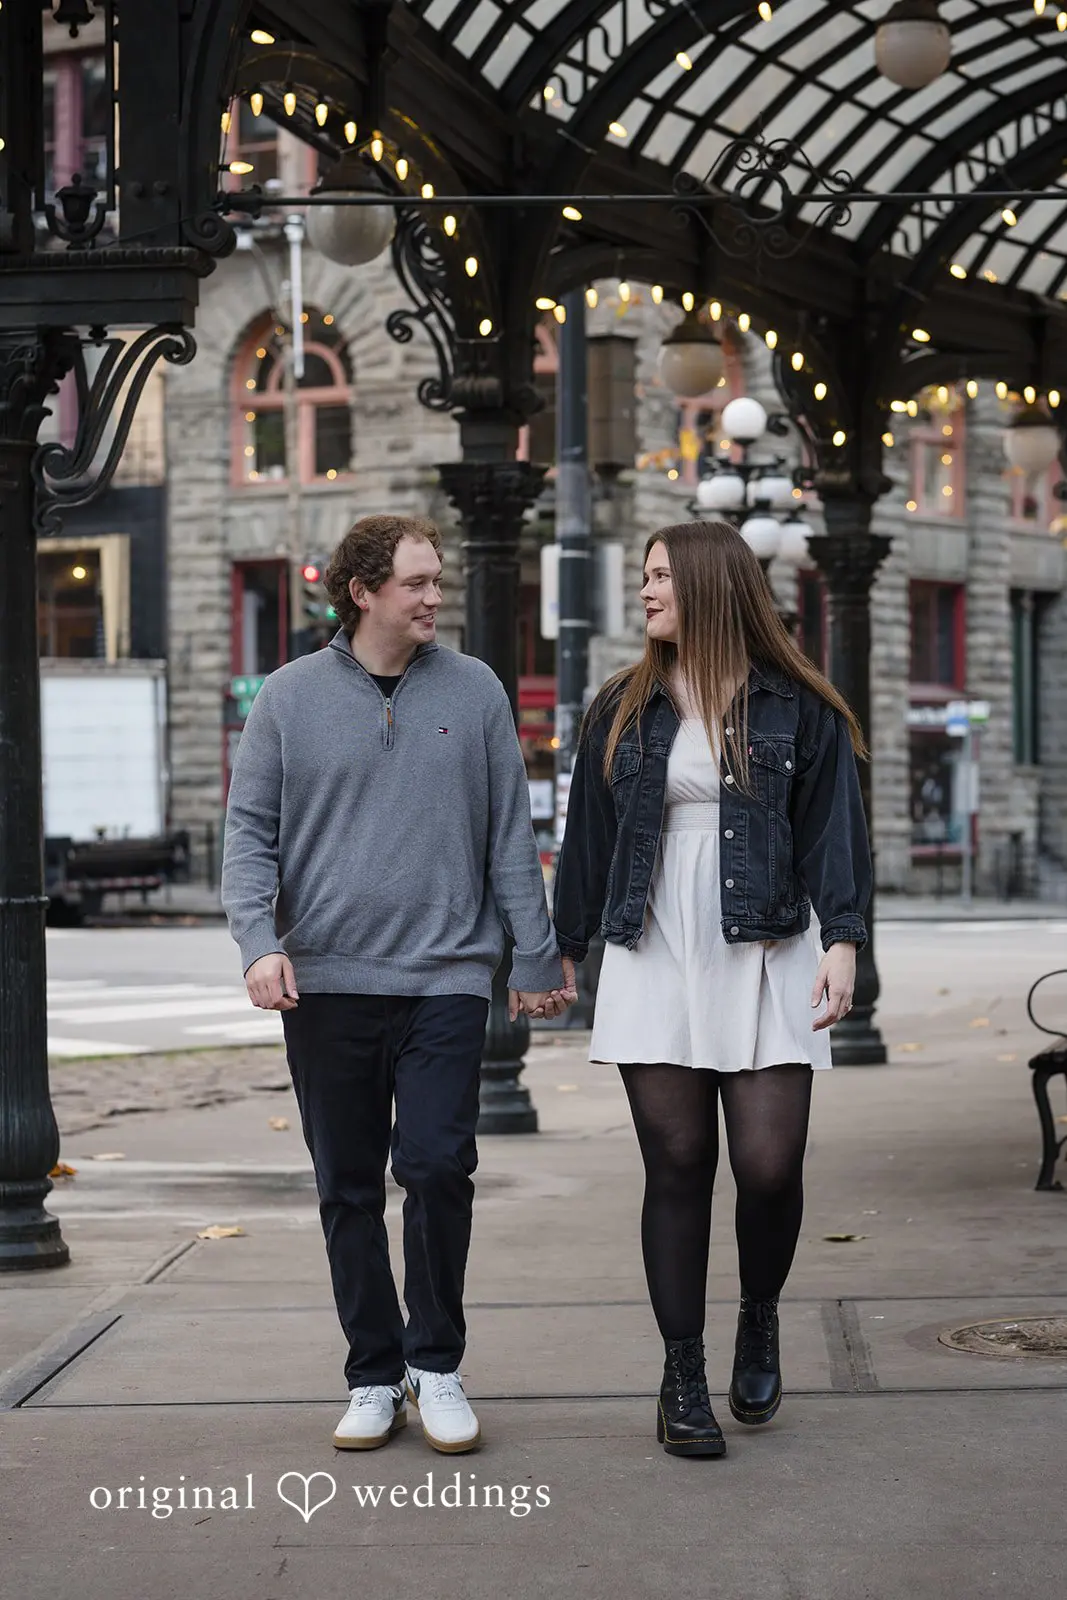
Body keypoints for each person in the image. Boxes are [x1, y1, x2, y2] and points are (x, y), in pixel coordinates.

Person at [222, 514, 575, 1455]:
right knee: (345, 1183)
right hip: (328, 979)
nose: (433, 596)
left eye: (436, 580)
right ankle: (374, 1374)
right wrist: (259, 943)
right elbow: (248, 832)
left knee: (434, 1167)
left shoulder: (476, 688)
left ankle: (438, 1363)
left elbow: (509, 832)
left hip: (447, 976)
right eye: (416, 582)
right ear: (362, 591)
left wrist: (534, 959)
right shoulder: (289, 697)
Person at [553, 521, 871, 1459]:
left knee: (769, 1167)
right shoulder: (622, 702)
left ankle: (759, 1313)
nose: (644, 591)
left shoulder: (797, 705)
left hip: (768, 940)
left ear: (707, 584)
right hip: (656, 945)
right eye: (642, 574)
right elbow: (590, 835)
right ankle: (681, 1375)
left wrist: (844, 940)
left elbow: (834, 832)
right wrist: (559, 949)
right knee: (679, 1164)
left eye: (658, 575)